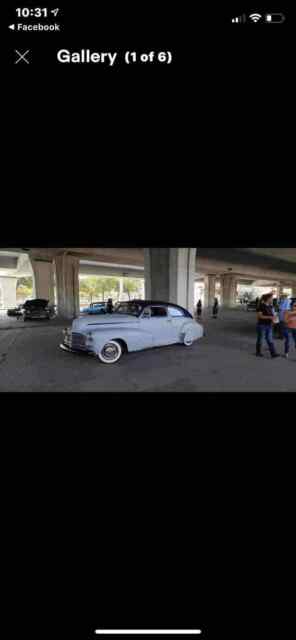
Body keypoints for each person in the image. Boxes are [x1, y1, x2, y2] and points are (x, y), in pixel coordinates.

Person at [256, 293, 280, 358]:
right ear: (268, 299)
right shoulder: (261, 306)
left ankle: (273, 353)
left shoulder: (270, 306)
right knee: (260, 339)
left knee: (269, 339)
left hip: (269, 325)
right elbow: (259, 316)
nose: (272, 299)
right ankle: (258, 352)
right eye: (271, 298)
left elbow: (272, 314)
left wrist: (275, 318)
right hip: (262, 325)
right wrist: (270, 317)